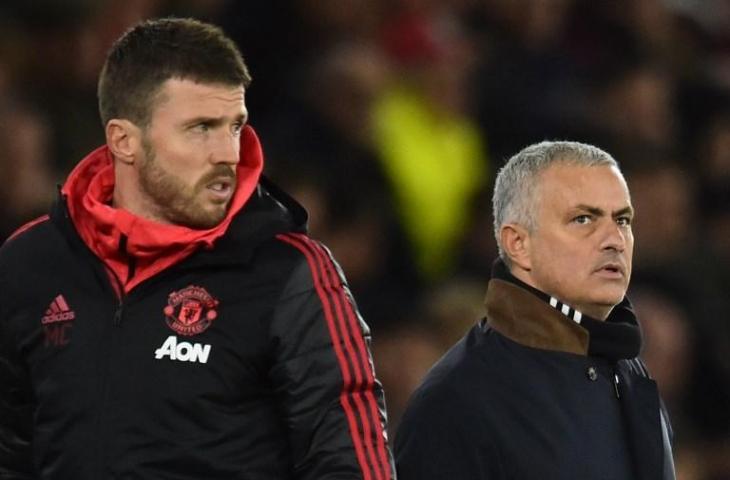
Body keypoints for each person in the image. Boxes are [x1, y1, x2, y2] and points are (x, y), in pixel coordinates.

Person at [0, 18, 394, 480]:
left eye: (235, 126)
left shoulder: (289, 272)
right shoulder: (30, 264)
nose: (227, 153)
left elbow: (350, 462)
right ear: (124, 140)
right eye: (201, 128)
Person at [395, 141, 675, 479]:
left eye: (623, 219)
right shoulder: (458, 399)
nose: (614, 239)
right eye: (583, 219)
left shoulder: (631, 372)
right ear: (518, 244)